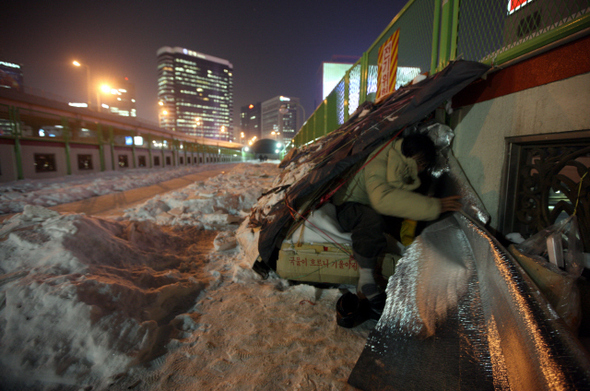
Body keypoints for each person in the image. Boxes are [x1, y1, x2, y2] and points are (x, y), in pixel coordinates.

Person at [332, 133, 462, 312]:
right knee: (371, 220)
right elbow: (382, 199)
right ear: (414, 158)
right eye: (422, 165)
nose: (421, 170)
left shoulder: (399, 162)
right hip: (347, 206)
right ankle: (366, 280)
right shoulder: (380, 161)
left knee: (394, 218)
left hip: (367, 203)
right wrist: (433, 206)